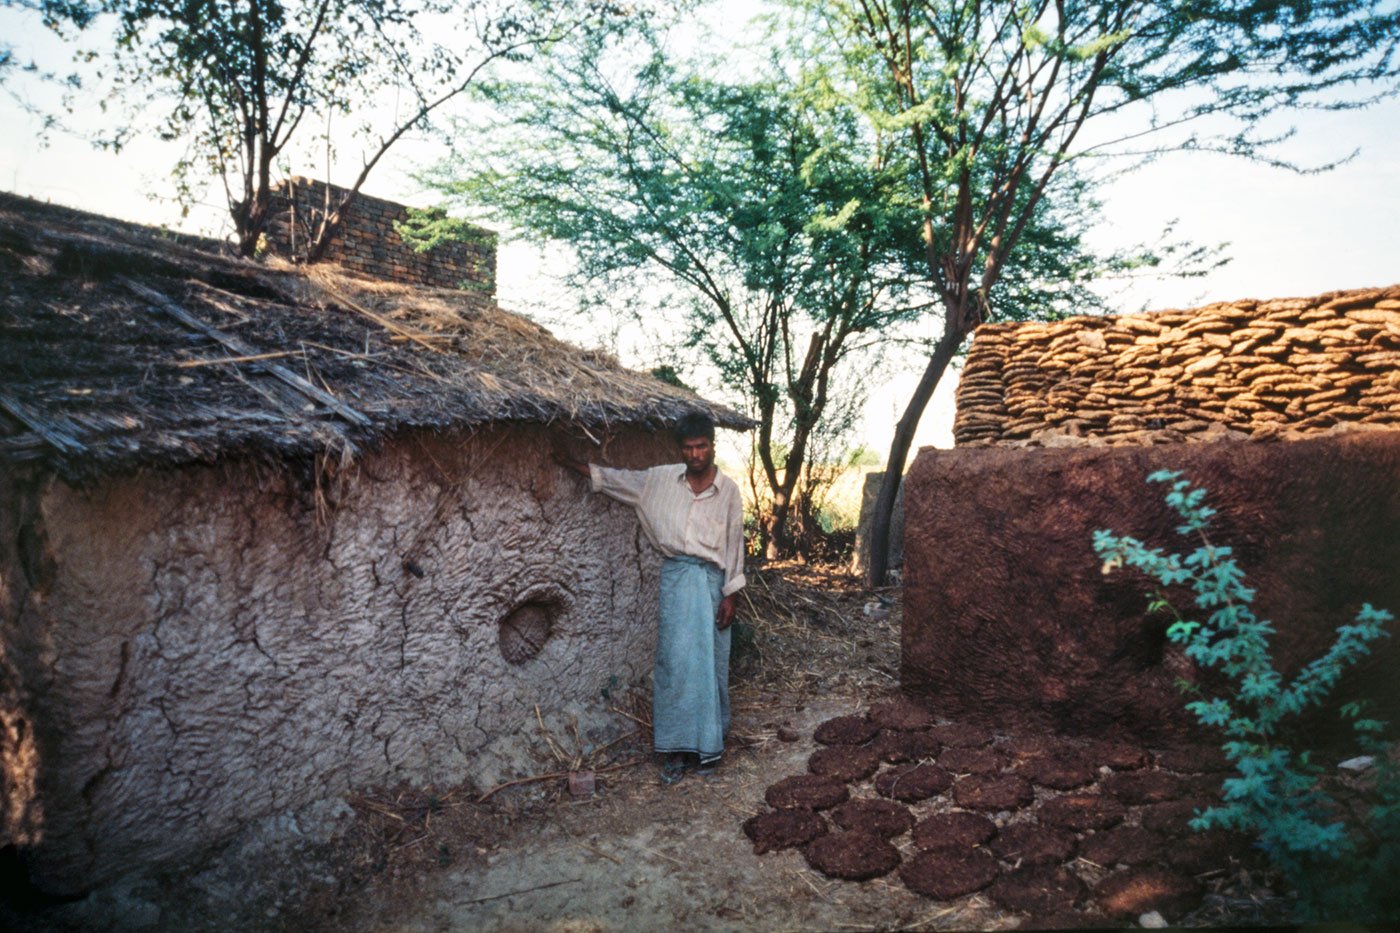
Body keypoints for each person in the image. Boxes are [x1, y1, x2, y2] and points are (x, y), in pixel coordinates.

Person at [556, 411, 746, 783]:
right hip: (676, 582)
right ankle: (676, 749)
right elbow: (613, 479)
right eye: (688, 448)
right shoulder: (658, 481)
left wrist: (731, 595)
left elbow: (735, 545)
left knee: (710, 666)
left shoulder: (729, 492)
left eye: (702, 446)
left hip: (711, 583)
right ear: (681, 450)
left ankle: (708, 746)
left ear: (712, 445)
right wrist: (569, 462)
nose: (695, 454)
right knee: (675, 665)